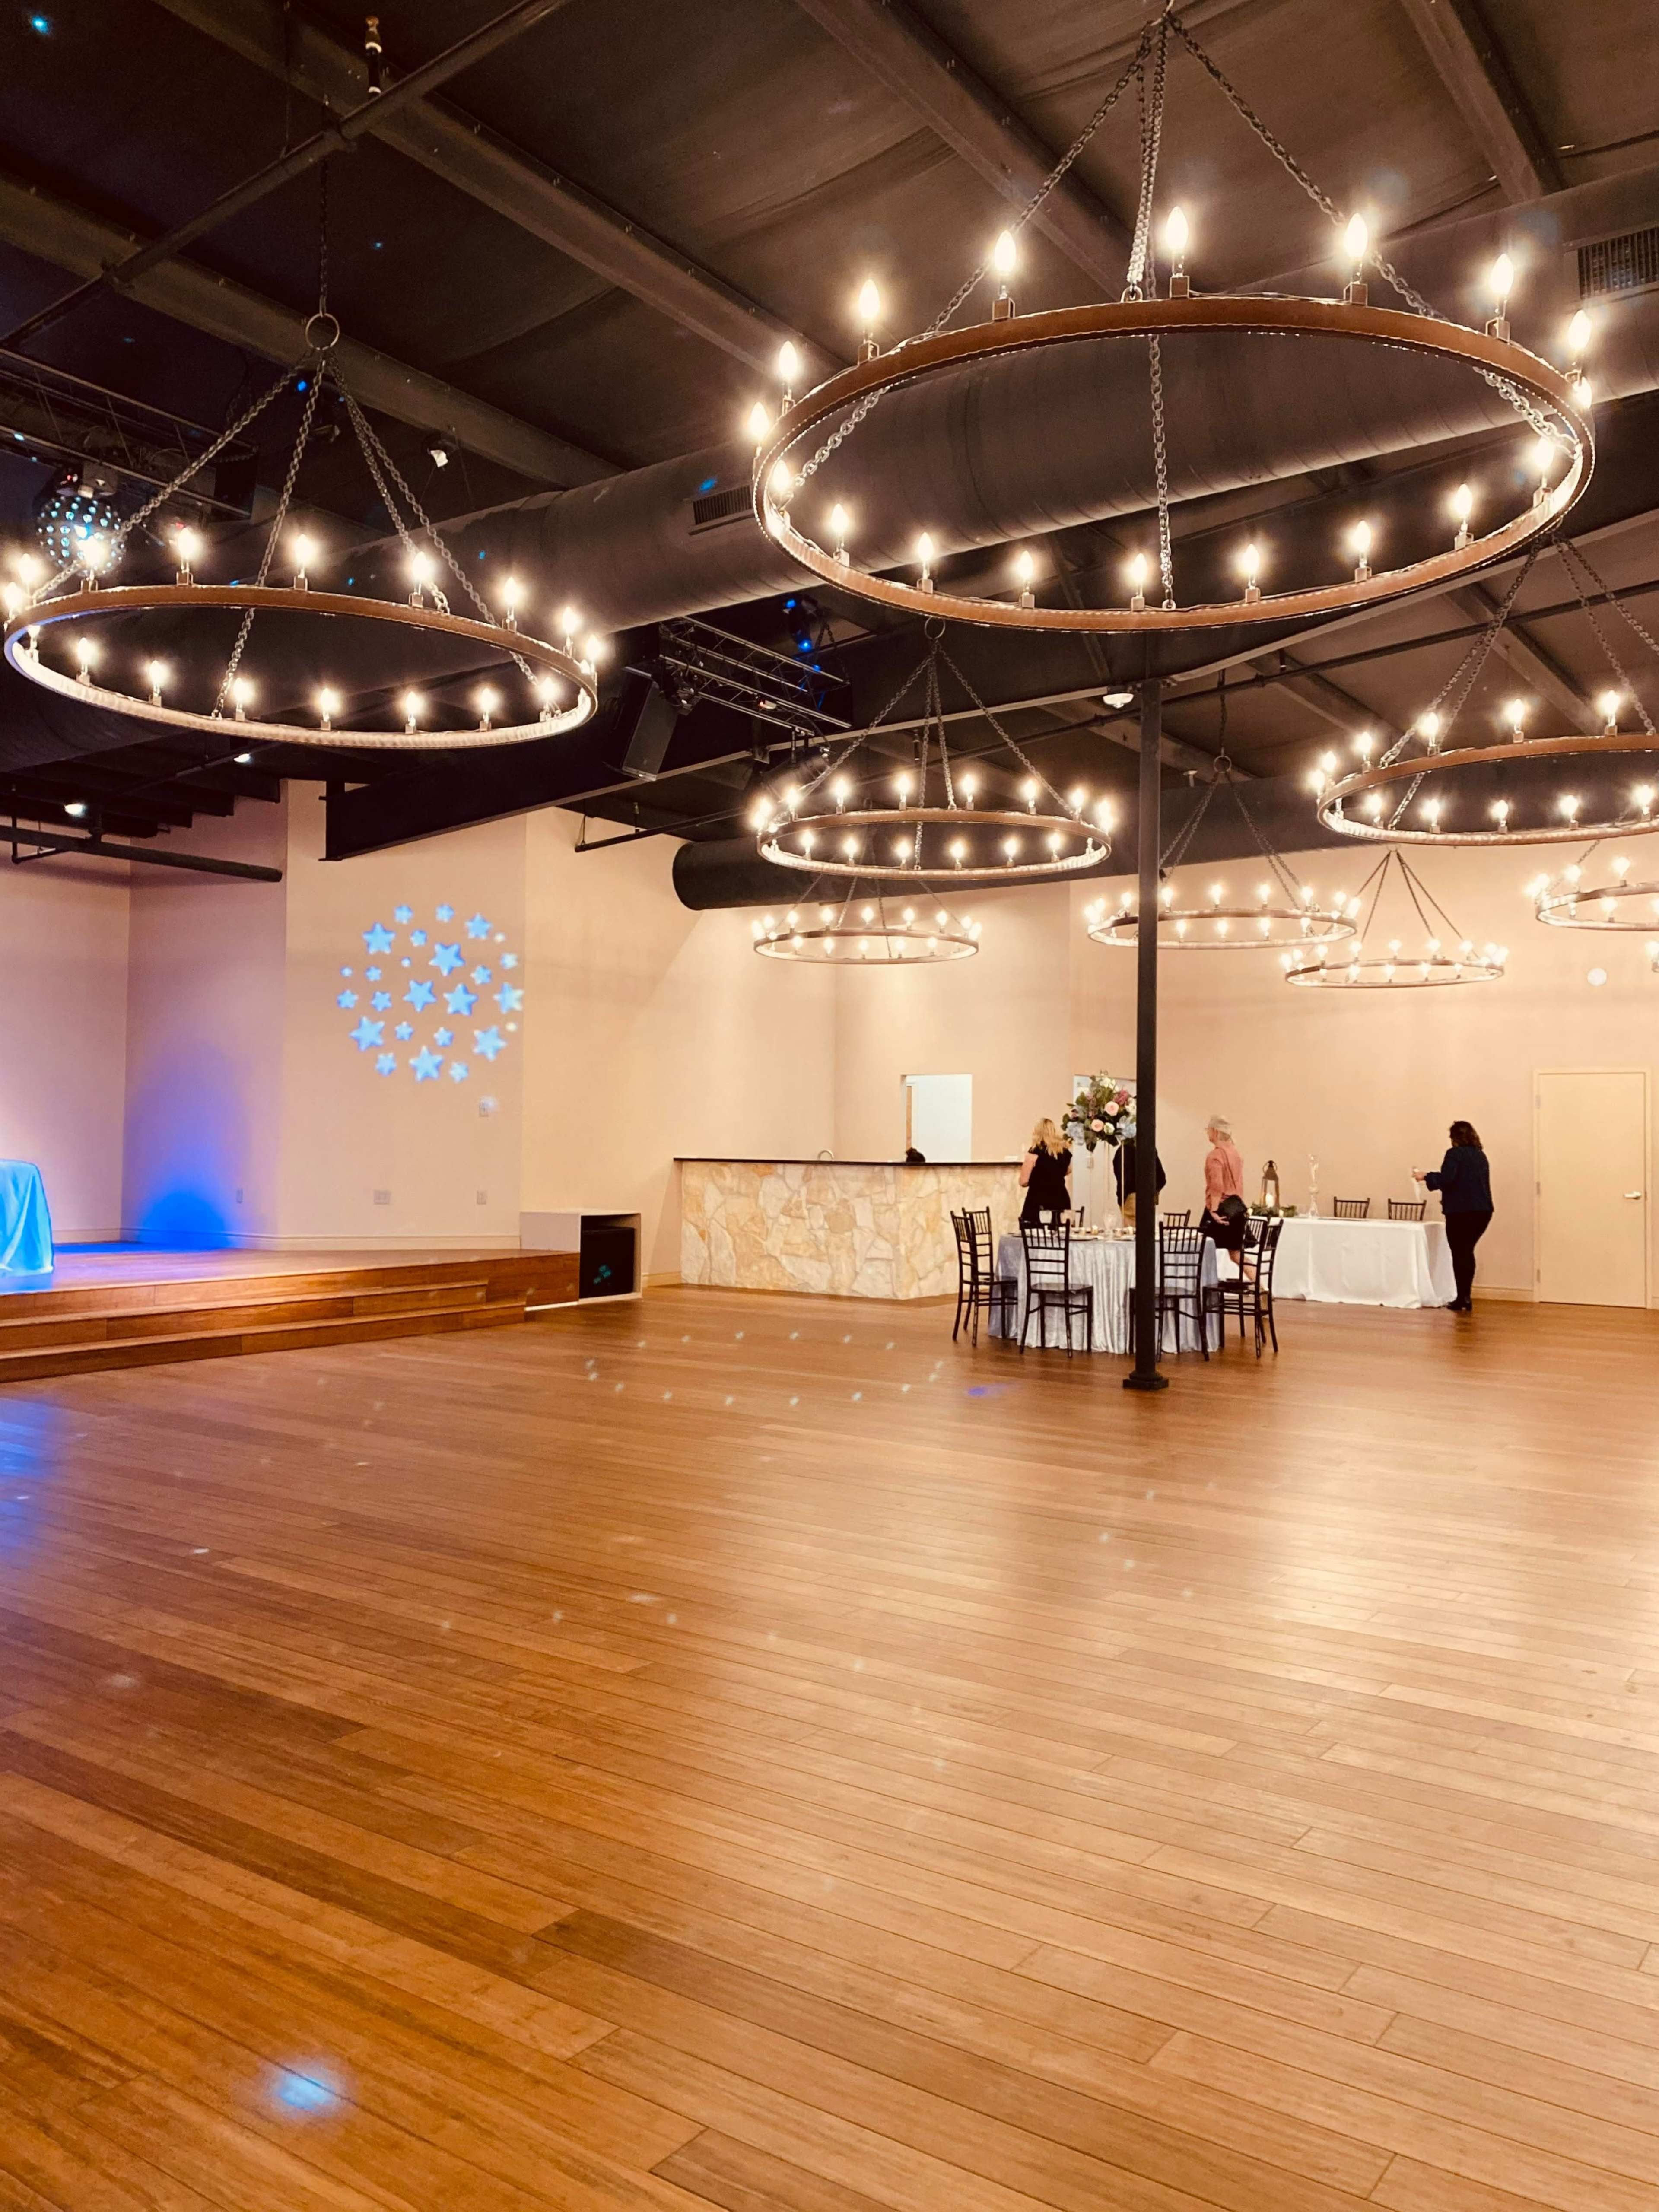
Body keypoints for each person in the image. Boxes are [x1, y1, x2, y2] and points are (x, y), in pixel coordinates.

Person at [1414, 1119, 1493, 1313]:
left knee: (1460, 1254)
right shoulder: (1481, 1155)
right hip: (1482, 1211)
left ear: (1455, 1138)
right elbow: (1468, 1184)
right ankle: (1466, 1297)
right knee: (1467, 1252)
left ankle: (1462, 1298)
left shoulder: (1454, 1154)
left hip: (1461, 1213)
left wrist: (1426, 1177)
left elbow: (1448, 1179)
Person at [1200, 1115, 1247, 1257]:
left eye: (1208, 1130)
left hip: (1220, 1210)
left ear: (1215, 1131)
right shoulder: (1236, 1154)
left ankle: (1208, 1274)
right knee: (1236, 1255)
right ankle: (1257, 1273)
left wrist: (1214, 1210)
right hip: (1236, 1210)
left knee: (1203, 1251)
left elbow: (1217, 1185)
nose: (1208, 1134)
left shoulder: (1215, 1156)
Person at [1019, 1118, 1072, 1226]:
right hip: (1061, 1199)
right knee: (1060, 1233)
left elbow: (1024, 1181)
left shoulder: (1034, 1152)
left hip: (1039, 1201)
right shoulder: (1064, 1152)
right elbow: (1068, 1170)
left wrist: (1037, 1179)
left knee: (1035, 1234)